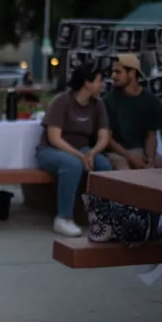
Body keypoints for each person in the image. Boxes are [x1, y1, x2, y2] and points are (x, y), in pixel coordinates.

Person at [36, 66, 113, 237]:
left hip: (84, 150)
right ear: (87, 83)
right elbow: (54, 138)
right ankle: (63, 218)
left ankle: (102, 217)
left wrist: (92, 153)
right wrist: (80, 156)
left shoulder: (98, 104)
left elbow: (104, 136)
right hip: (51, 150)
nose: (103, 85)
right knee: (72, 164)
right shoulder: (62, 101)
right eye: (99, 80)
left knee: (104, 165)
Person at [105, 54, 162, 170]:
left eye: (118, 72)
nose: (113, 76)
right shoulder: (108, 101)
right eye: (112, 72)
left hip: (141, 150)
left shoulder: (151, 101)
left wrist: (150, 159)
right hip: (118, 152)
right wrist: (129, 157)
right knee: (124, 172)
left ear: (132, 73)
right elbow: (108, 139)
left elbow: (151, 135)